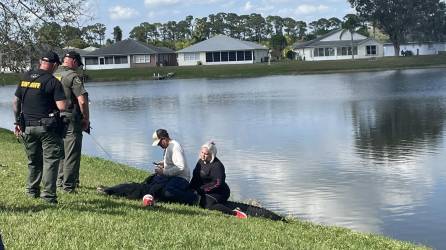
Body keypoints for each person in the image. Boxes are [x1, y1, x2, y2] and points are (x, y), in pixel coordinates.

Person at [13, 51, 67, 204]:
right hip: (47, 129)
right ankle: (48, 196)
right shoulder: (52, 81)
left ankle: (32, 191)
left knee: (33, 160)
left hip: (27, 127)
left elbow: (16, 102)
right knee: (50, 160)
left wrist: (17, 122)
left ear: (40, 61)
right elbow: (62, 106)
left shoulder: (25, 78)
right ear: (55, 65)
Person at [54, 51, 90, 193]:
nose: (77, 68)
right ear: (74, 61)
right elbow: (82, 100)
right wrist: (86, 118)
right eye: (78, 65)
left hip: (55, 118)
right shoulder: (72, 76)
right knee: (72, 153)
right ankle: (69, 187)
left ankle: (60, 181)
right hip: (70, 118)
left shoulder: (53, 74)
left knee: (61, 152)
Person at [189, 142, 247, 219]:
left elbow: (217, 183)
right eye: (202, 152)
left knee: (206, 204)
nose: (203, 155)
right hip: (205, 190)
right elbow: (195, 177)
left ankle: (234, 213)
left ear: (212, 154)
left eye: (206, 154)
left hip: (219, 191)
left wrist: (200, 190)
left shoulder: (217, 166)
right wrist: (190, 188)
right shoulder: (200, 161)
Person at [150, 128, 197, 205]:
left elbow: (180, 167)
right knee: (155, 185)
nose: (159, 145)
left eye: (159, 143)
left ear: (164, 139)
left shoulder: (175, 147)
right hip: (173, 177)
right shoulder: (168, 146)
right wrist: (163, 163)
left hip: (181, 178)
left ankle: (193, 197)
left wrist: (164, 172)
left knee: (167, 192)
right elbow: (172, 161)